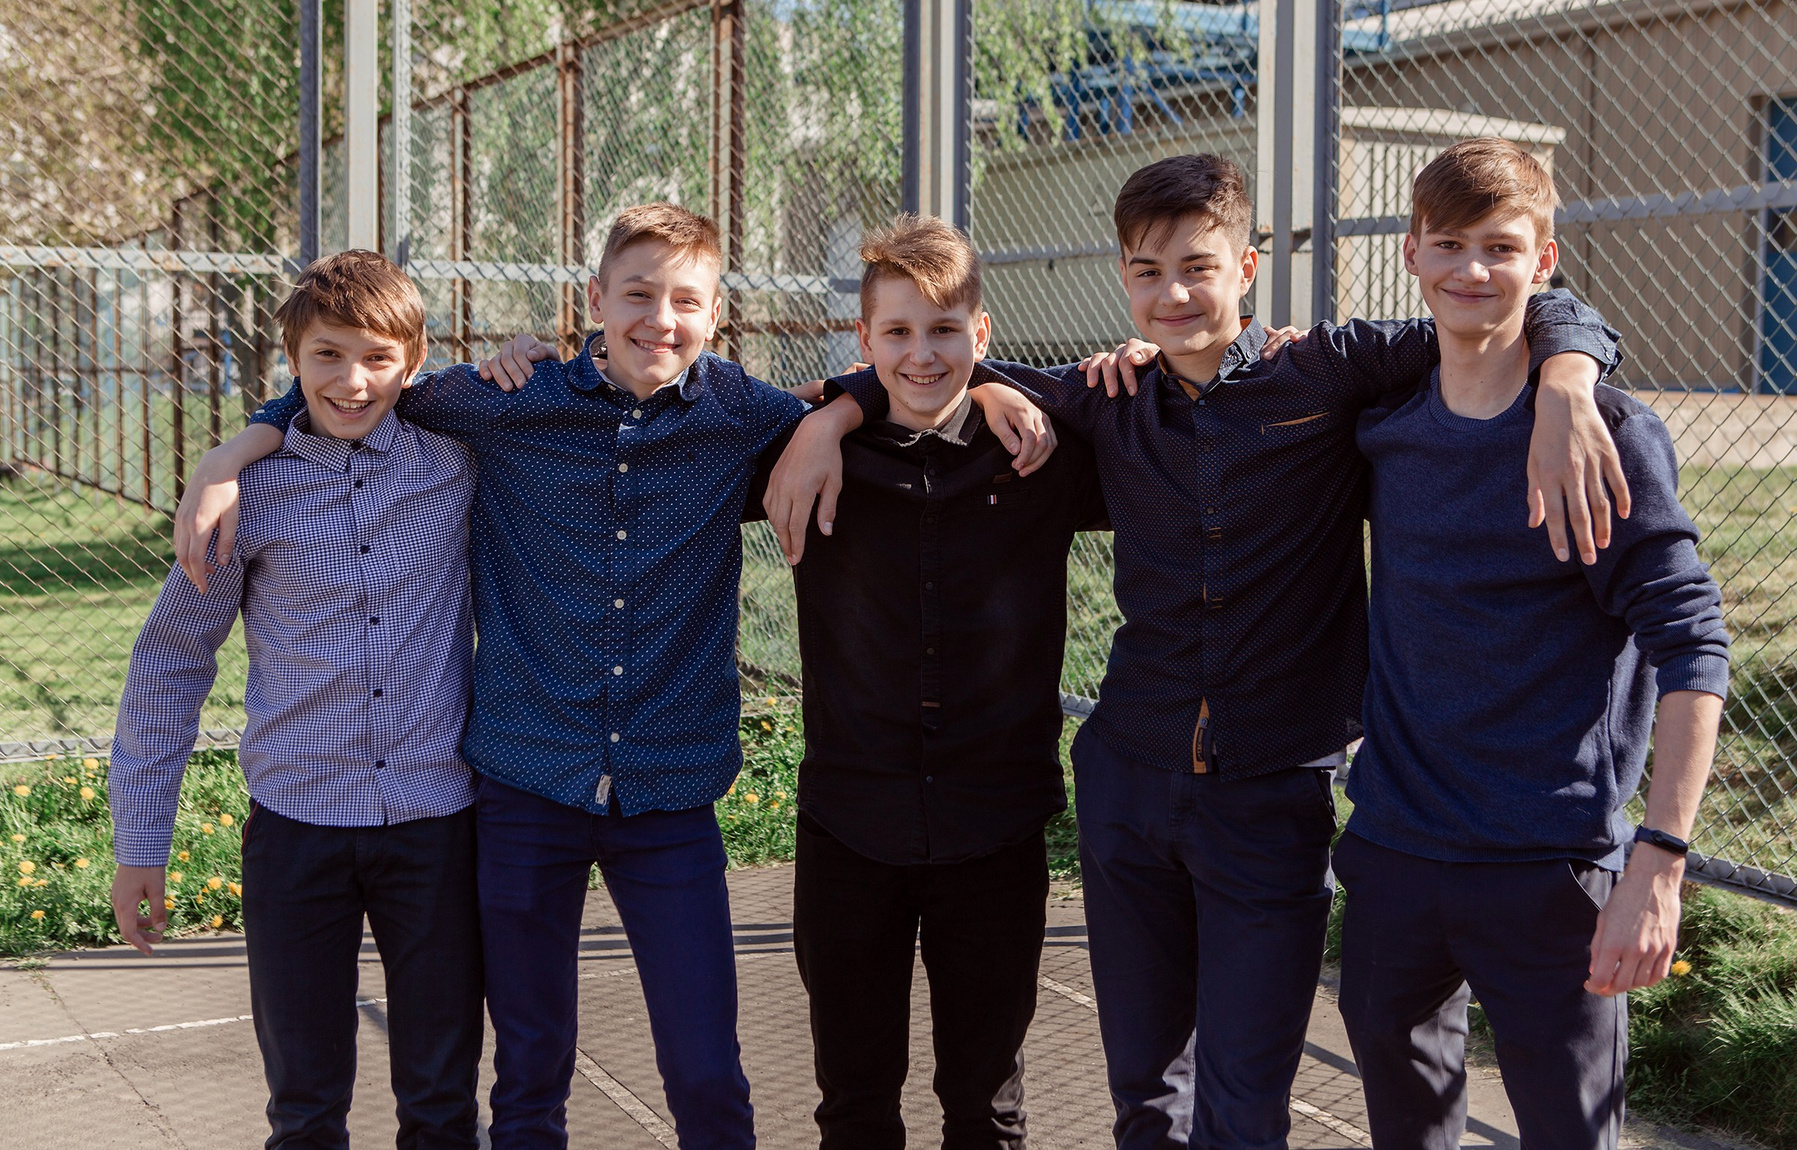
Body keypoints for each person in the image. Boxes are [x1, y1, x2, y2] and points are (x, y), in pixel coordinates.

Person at [767, 154, 1627, 1150]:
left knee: (1243, 1101)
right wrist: (835, 412)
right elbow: (929, 371)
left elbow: (1508, 310)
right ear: (1123, 278)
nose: (1173, 294)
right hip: (1130, 784)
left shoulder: (1328, 372)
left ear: (1247, 268)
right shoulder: (1108, 397)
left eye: (1198, 268)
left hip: (1269, 788)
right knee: (1144, 1092)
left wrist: (1569, 380)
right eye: (1148, 271)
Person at [169, 204, 1054, 1149]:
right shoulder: (506, 402)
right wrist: (237, 448)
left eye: (686, 301)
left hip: (669, 793)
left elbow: (891, 382)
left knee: (706, 1071)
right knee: (530, 1068)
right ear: (595, 299)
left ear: (716, 315)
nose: (659, 320)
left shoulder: (743, 415)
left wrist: (966, 389)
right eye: (637, 295)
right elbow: (361, 389)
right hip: (527, 787)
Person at [1335, 137, 1727, 1149]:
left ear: (1544, 261)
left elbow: (1694, 647)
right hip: (1395, 855)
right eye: (1450, 245)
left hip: (1550, 868)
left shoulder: (1606, 436)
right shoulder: (1381, 421)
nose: (1473, 270)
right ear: (1412, 253)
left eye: (1502, 248)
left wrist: (1659, 863)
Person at [109, 250, 487, 1148]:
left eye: (377, 358)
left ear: (413, 360)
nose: (352, 382)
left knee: (443, 1102)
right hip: (296, 831)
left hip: (436, 827)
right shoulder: (245, 498)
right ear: (292, 358)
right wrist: (140, 843)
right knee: (305, 1107)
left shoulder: (459, 466)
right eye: (327, 355)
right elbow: (170, 664)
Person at [762, 215, 1105, 1148]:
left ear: (981, 334)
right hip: (851, 823)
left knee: (986, 1107)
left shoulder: (1039, 451)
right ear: (864, 339)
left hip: (994, 824)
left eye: (946, 331)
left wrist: (993, 387)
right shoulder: (806, 450)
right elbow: (688, 401)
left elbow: (1140, 389)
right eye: (899, 332)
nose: (922, 355)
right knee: (855, 1104)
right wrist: (834, 413)